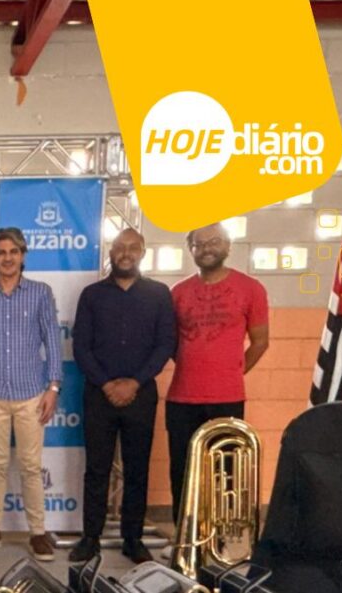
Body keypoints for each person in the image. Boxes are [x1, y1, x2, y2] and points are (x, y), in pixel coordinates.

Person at [69, 228, 176, 564]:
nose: (125, 253)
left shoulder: (159, 294)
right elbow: (81, 347)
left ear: (142, 252)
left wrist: (134, 383)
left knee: (137, 469)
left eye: (132, 248)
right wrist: (107, 385)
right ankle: (91, 538)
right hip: (98, 395)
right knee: (96, 470)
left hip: (141, 395)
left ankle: (133, 538)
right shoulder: (92, 295)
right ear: (111, 253)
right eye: (119, 248)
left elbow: (165, 344)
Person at [0, 227, 62, 563]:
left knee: (31, 466)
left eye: (13, 252)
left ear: (23, 256)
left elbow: (53, 341)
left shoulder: (40, 293)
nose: (7, 258)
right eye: (1, 252)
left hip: (31, 393)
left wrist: (53, 387)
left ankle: (37, 532)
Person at [167, 223, 269, 527]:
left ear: (227, 245)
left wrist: (233, 371)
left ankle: (222, 539)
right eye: (199, 244)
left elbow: (260, 342)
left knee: (227, 473)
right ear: (191, 250)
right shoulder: (177, 292)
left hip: (228, 399)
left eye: (213, 241)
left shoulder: (251, 288)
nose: (206, 249)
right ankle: (185, 538)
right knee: (182, 473)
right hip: (181, 398)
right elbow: (170, 343)